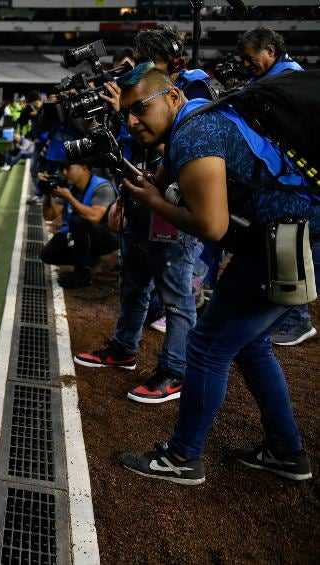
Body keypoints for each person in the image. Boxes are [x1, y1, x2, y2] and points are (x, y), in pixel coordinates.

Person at [116, 66, 317, 485]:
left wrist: (154, 200)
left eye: (140, 109)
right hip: (288, 235)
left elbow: (212, 226)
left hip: (287, 242)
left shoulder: (195, 134)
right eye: (126, 114)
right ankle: (287, 451)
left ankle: (183, 457)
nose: (132, 122)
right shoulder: (202, 116)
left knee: (207, 345)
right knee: (251, 343)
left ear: (172, 97)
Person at [75, 62, 198, 404]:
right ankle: (124, 349)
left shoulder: (188, 115)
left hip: (171, 216)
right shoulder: (138, 108)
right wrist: (124, 199)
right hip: (139, 211)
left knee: (176, 299)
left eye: (138, 109)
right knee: (133, 287)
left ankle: (175, 371)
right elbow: (132, 161)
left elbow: (172, 163)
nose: (132, 118)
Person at [233, 27, 313, 346]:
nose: (245, 64)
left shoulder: (290, 78)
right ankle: (284, 313)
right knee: (278, 244)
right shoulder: (269, 80)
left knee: (291, 244)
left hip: (295, 178)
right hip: (278, 175)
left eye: (250, 58)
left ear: (270, 49)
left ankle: (298, 319)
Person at [39, 161, 119, 289]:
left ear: (84, 168)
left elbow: (94, 216)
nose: (65, 172)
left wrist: (69, 198)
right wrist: (48, 193)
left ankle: (83, 273)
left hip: (107, 236)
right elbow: (50, 215)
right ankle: (90, 260)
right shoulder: (69, 187)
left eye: (68, 168)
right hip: (80, 234)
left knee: (78, 221)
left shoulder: (102, 187)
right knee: (47, 254)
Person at [239, 26, 304, 83]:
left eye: (249, 58)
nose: (246, 64)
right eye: (243, 59)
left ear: (270, 51)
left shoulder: (291, 77)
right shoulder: (268, 72)